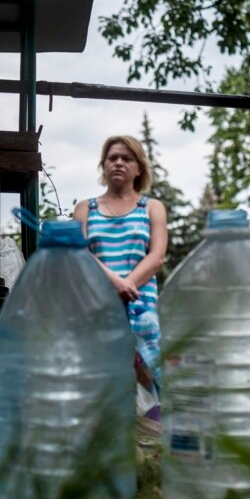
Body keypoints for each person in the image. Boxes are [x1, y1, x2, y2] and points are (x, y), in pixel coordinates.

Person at [72, 135, 168, 422]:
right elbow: (79, 253)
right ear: (102, 166)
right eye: (112, 157)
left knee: (149, 382)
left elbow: (157, 256)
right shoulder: (85, 208)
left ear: (139, 168)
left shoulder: (152, 207)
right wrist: (115, 283)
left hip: (142, 311)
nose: (118, 162)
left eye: (126, 158)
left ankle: (151, 456)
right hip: (98, 311)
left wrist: (128, 285)